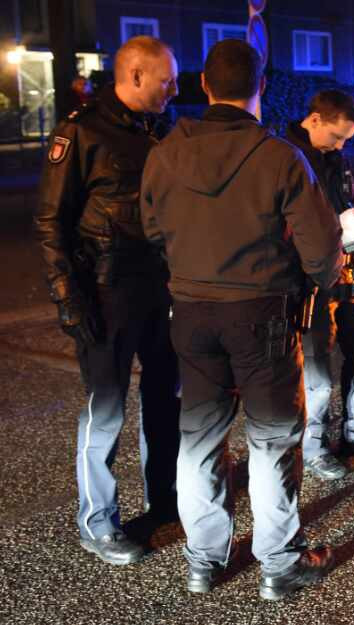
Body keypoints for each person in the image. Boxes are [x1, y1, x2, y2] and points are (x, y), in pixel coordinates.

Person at [140, 39, 343, 600]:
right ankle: (278, 564)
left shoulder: (163, 154)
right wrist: (319, 284)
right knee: (273, 438)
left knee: (200, 439)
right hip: (263, 316)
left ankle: (204, 560)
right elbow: (323, 249)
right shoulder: (280, 156)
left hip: (193, 314)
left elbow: (153, 231)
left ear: (203, 85)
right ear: (260, 87)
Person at [34, 35, 181, 567]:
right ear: (136, 75)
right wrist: (68, 300)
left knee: (166, 400)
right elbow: (50, 222)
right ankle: (96, 523)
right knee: (106, 411)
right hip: (105, 293)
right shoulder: (79, 131)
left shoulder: (159, 130)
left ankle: (164, 501)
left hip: (158, 288)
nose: (175, 88)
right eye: (166, 80)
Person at [284, 90, 354, 483]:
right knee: (316, 375)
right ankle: (314, 448)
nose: (341, 145)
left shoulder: (335, 157)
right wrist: (338, 221)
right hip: (312, 278)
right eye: (336, 137)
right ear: (314, 120)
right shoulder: (284, 158)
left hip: (347, 269)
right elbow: (284, 222)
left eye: (347, 139)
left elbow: (346, 198)